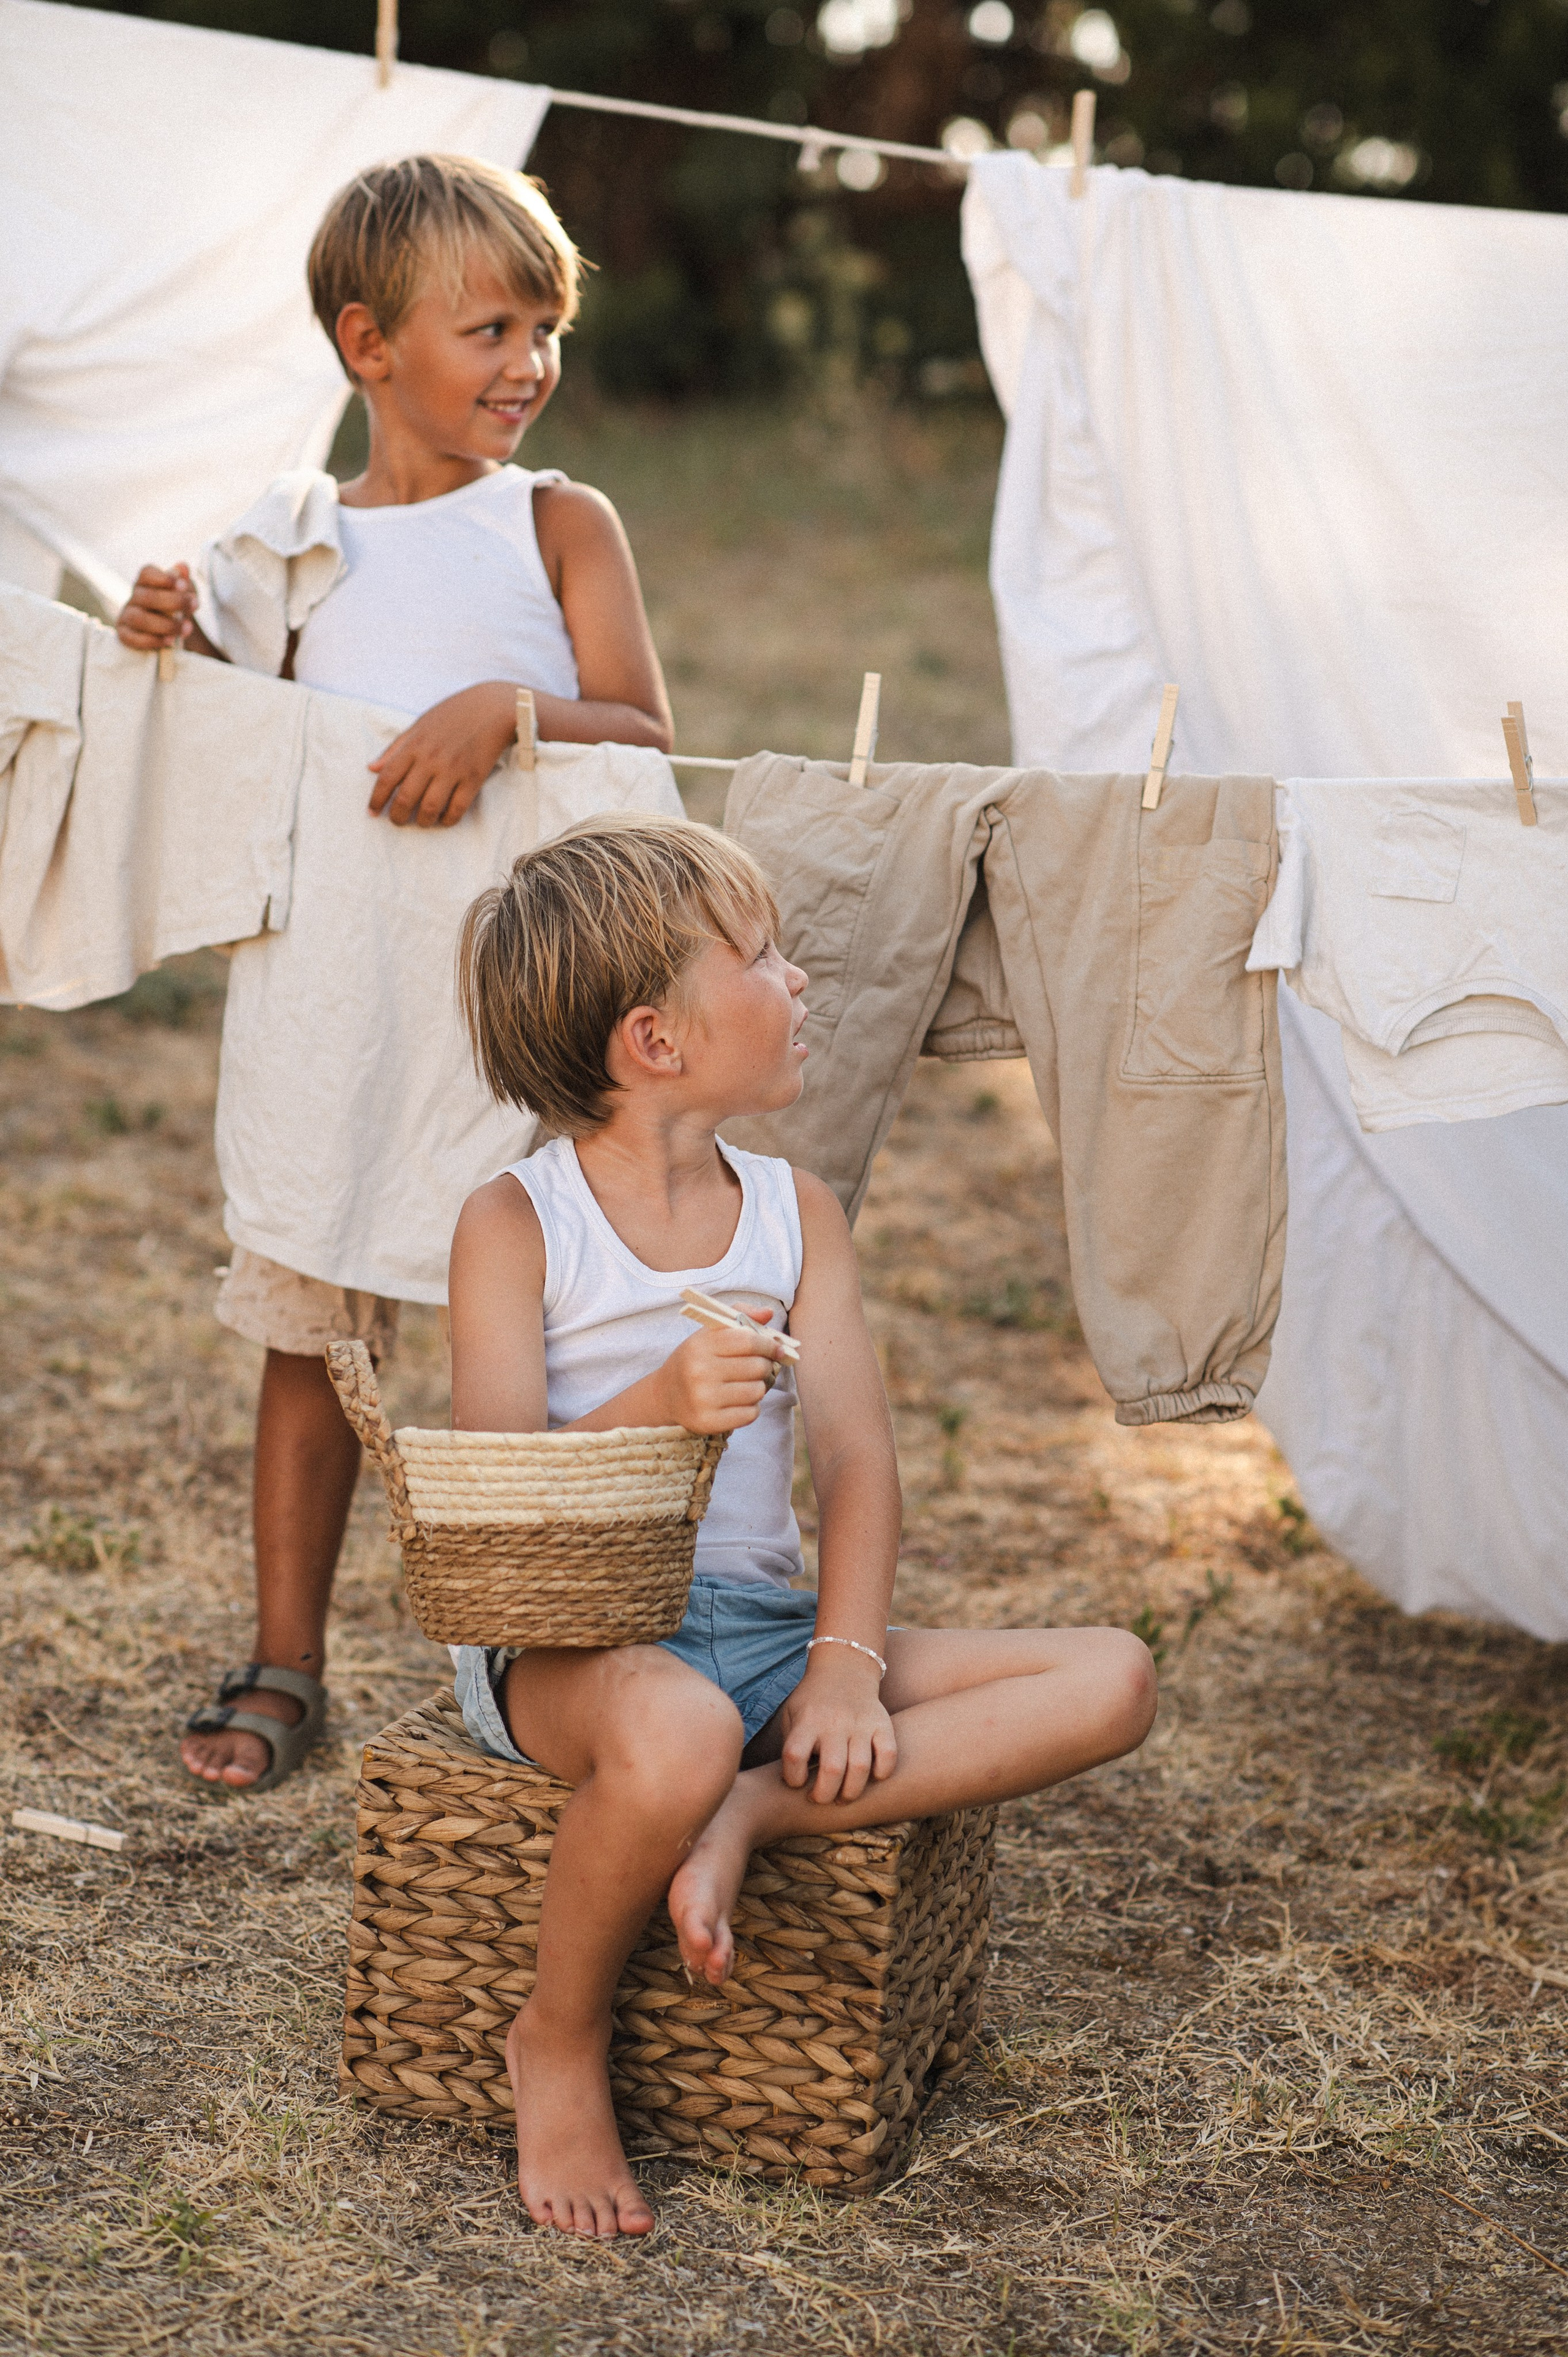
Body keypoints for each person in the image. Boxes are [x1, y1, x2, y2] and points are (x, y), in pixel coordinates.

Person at [447, 812, 1158, 2239]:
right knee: (680, 1723)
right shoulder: (517, 1224)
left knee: (1112, 1676)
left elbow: (855, 1460)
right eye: (762, 956)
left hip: (770, 1639)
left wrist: (841, 1661)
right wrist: (655, 1402)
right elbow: (495, 1506)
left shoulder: (796, 1212)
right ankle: (558, 2030)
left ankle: (752, 1812)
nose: (801, 978)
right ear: (654, 1038)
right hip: (580, 1648)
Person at [113, 156, 674, 1795]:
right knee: (314, 1325)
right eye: (487, 327)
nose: (527, 363)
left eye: (544, 326)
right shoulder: (292, 551)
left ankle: (569, 1656)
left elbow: (643, 731)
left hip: (523, 1001)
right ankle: (290, 1660)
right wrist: (185, 647)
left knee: (556, 1336)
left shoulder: (560, 522)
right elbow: (237, 752)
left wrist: (511, 704)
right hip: (338, 1005)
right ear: (368, 345)